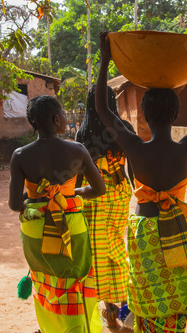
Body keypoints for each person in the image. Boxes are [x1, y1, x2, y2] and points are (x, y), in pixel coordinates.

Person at [95, 31, 187, 333]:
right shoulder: (186, 147)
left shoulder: (135, 147)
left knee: (146, 293)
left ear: (143, 114)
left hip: (144, 234)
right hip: (176, 228)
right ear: (176, 113)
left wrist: (104, 61)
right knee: (175, 293)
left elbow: (103, 110)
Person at [8, 95, 106, 333]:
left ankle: (50, 327)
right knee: (75, 284)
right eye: (62, 114)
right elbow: (99, 189)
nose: (64, 118)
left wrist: (35, 198)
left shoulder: (20, 155)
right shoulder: (77, 150)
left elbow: (14, 204)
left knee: (45, 284)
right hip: (71, 229)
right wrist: (70, 193)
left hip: (34, 233)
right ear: (56, 119)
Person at [75, 85, 135, 328]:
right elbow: (132, 167)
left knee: (97, 252)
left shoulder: (84, 133)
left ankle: (109, 310)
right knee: (117, 246)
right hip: (120, 194)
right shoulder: (125, 129)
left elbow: (80, 173)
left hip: (94, 197)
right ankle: (125, 306)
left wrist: (74, 198)